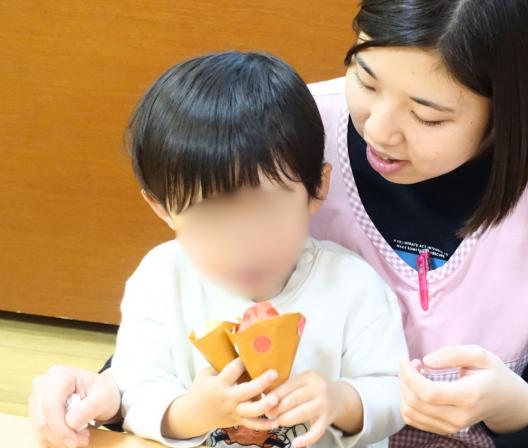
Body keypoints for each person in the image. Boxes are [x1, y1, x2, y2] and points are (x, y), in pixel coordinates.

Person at [30, 1, 528, 447]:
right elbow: (184, 305)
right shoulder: (290, 133)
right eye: (366, 79)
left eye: (428, 116)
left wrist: (514, 406)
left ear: (513, 109)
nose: (378, 130)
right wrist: (104, 390)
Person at [32, 51, 408, 448]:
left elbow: (394, 395)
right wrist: (196, 411)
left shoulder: (353, 286)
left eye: (267, 210)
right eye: (209, 217)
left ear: (317, 188)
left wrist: (341, 400)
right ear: (163, 208)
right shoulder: (161, 279)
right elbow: (133, 388)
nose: (243, 243)